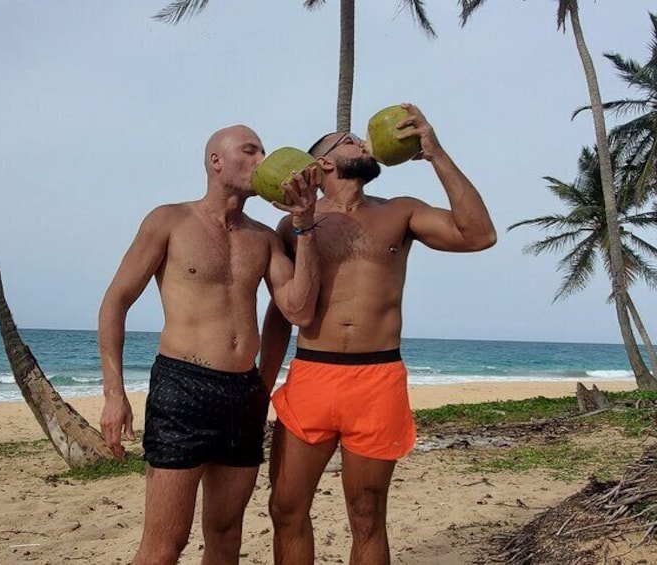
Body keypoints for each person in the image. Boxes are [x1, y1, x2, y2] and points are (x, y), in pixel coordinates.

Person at [260, 103, 497, 565]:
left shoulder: (401, 212)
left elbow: (479, 235)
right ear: (323, 162)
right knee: (286, 509)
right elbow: (279, 313)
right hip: (312, 374)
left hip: (377, 378)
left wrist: (435, 153)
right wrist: (262, 386)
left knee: (367, 515)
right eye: (349, 140)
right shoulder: (291, 226)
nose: (364, 143)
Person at [98, 124, 321, 565]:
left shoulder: (263, 237)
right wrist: (113, 393)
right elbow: (114, 303)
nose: (262, 159)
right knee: (166, 543)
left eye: (264, 151)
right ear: (216, 161)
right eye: (249, 150)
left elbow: (298, 309)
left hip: (242, 394)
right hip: (182, 388)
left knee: (225, 536)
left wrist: (305, 226)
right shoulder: (170, 220)